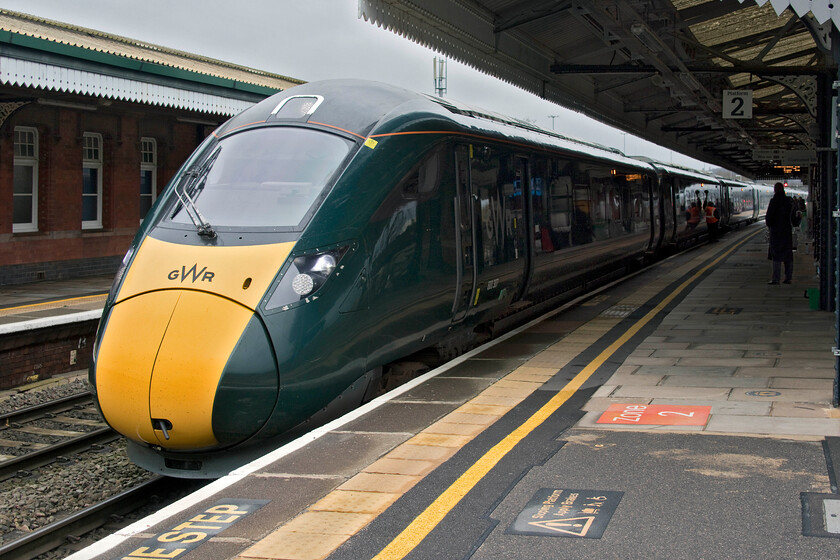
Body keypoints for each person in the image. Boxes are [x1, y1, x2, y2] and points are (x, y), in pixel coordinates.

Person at [765, 182, 801, 284]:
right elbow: (794, 220)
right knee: (788, 255)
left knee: (776, 256)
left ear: (775, 190)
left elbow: (768, 219)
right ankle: (788, 278)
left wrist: (771, 226)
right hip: (787, 232)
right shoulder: (789, 202)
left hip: (776, 233)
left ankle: (776, 278)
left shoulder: (773, 201)